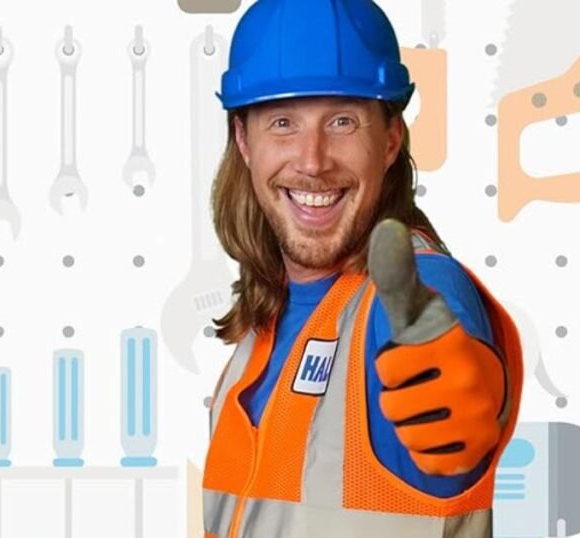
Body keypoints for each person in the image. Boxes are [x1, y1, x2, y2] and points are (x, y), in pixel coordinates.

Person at [201, 0, 523, 536]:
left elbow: (453, 398)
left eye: (343, 121)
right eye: (283, 122)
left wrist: (461, 403)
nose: (312, 159)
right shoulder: (264, 325)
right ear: (244, 141)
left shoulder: (414, 292)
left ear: (391, 140)